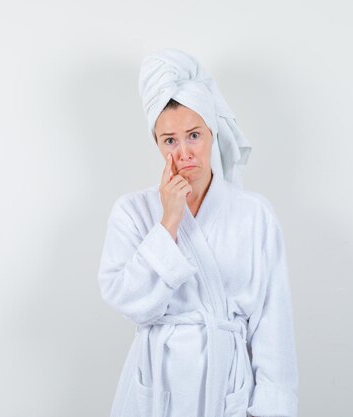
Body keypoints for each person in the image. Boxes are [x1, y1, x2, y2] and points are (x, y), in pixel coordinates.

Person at [97, 49, 299, 417]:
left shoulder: (254, 214)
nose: (185, 152)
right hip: (157, 386)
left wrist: (271, 408)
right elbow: (128, 302)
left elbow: (273, 324)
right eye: (170, 140)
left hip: (228, 386)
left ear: (212, 131)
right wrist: (168, 222)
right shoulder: (132, 211)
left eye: (194, 135)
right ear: (157, 144)